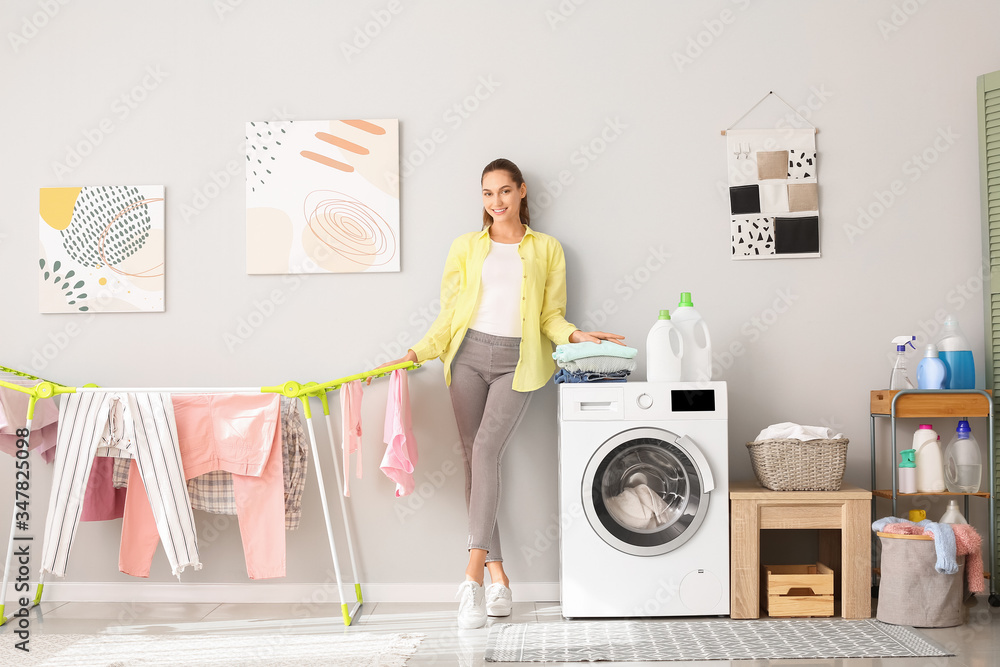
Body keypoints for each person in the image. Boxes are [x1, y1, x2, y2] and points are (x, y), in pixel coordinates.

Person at [382, 158, 625, 629]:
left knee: (486, 450)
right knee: (473, 460)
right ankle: (498, 578)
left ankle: (470, 578)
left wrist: (577, 336)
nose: (497, 201)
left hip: (519, 360)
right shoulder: (466, 247)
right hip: (467, 356)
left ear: (521, 191)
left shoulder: (547, 248)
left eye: (505, 191)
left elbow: (550, 316)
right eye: (488, 193)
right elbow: (450, 314)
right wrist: (416, 352)